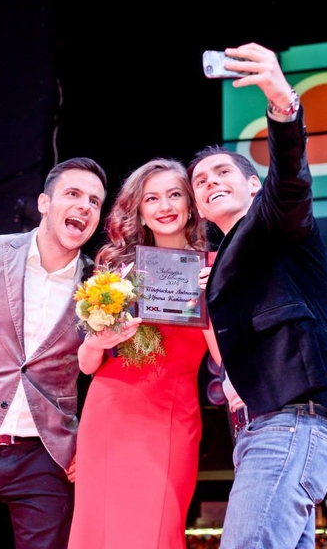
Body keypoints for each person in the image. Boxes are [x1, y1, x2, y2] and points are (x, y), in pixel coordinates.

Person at [188, 42, 327, 549]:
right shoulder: (220, 268)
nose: (210, 182)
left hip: (292, 421)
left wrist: (282, 103)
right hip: (259, 432)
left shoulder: (277, 223)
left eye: (223, 173)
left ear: (254, 187)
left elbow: (291, 181)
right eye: (200, 181)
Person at [0, 157, 115, 549]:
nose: (84, 206)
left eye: (94, 201)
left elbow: (109, 377)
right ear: (44, 203)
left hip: (46, 456)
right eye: (73, 194)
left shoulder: (102, 285)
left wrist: (90, 443)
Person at [66, 158, 218, 549]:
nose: (164, 206)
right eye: (152, 198)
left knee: (157, 529)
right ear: (140, 211)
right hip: (108, 413)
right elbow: (87, 363)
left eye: (174, 195)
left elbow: (223, 359)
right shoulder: (116, 272)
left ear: (191, 205)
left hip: (171, 417)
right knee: (98, 533)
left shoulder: (215, 268)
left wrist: (210, 298)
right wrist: (98, 342)